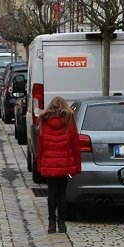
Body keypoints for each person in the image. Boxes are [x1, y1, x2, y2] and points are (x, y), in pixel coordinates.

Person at [35, 95, 81, 233]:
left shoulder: (43, 120)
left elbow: (40, 146)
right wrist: (77, 165)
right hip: (65, 163)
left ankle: (51, 224)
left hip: (49, 162)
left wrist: (39, 165)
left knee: (51, 193)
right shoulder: (69, 119)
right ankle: (62, 224)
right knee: (62, 194)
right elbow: (75, 144)